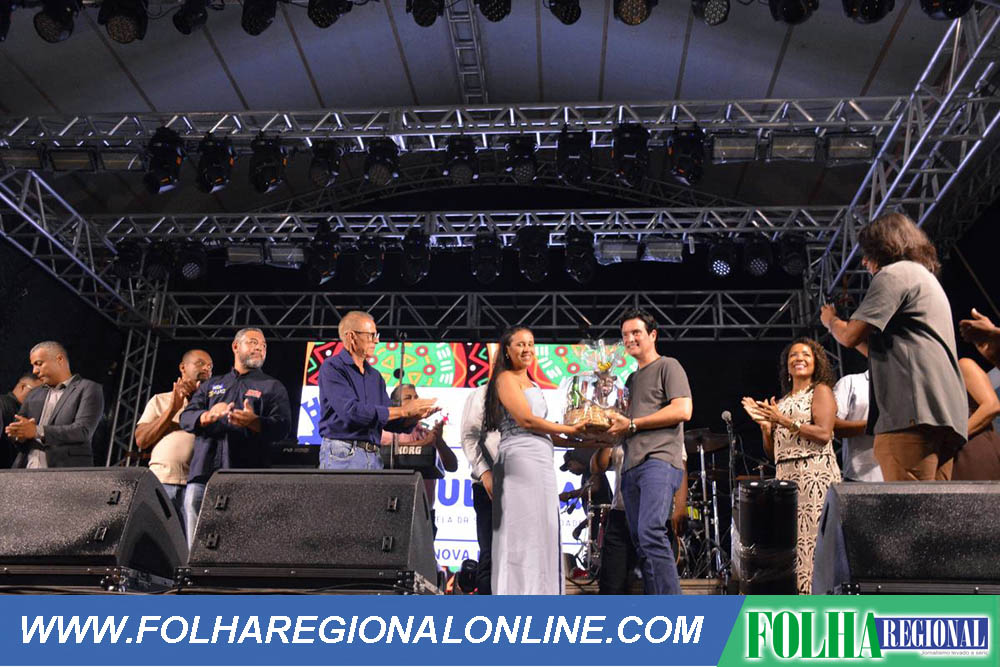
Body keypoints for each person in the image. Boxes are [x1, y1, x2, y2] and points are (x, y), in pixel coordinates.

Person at [821, 212, 967, 480]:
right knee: (936, 506)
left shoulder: (893, 274)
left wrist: (831, 322)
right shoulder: (926, 279)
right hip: (945, 416)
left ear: (881, 248)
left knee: (908, 506)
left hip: (911, 413)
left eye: (867, 253)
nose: (864, 261)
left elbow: (850, 336)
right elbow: (888, 352)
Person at [483, 325, 587, 595]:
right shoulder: (505, 379)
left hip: (541, 460)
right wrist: (569, 429)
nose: (527, 349)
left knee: (544, 530)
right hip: (520, 459)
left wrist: (588, 440)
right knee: (523, 533)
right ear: (507, 350)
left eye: (530, 343)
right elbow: (526, 421)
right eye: (520, 344)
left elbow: (544, 431)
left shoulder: (533, 384)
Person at [742, 337, 840, 595]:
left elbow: (824, 434)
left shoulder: (820, 391)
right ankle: (797, 598)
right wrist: (766, 428)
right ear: (787, 366)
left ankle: (819, 599)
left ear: (816, 362)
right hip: (786, 478)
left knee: (814, 542)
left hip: (813, 474)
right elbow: (773, 452)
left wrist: (782, 420)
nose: (799, 358)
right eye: (793, 355)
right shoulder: (783, 402)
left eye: (806, 354)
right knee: (792, 544)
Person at [605, 309, 692, 595]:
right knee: (641, 542)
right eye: (625, 335)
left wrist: (633, 424)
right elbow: (626, 424)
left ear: (653, 335)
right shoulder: (631, 380)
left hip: (659, 460)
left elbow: (683, 410)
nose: (630, 339)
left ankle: (673, 608)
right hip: (631, 467)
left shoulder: (669, 366)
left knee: (651, 532)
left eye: (636, 332)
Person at [179, 328, 291, 545]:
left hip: (248, 477)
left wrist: (254, 421)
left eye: (263, 345)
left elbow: (282, 427)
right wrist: (207, 416)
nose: (259, 348)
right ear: (235, 346)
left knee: (240, 543)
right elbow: (186, 418)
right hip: (203, 475)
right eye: (253, 342)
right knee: (195, 547)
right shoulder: (211, 385)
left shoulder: (272, 387)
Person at [317, 311, 437, 470]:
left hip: (374, 456)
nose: (377, 340)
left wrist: (414, 416)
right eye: (371, 335)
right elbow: (352, 412)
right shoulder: (332, 367)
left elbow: (388, 419)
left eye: (376, 335)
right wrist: (404, 410)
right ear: (351, 336)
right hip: (343, 453)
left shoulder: (375, 376)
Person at [134, 350, 214, 533]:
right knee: (158, 539)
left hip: (198, 486)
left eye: (210, 366)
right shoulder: (160, 400)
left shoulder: (212, 405)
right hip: (161, 482)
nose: (206, 369)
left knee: (191, 543)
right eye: (200, 363)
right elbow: (141, 440)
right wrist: (172, 410)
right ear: (182, 367)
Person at [5, 341, 103, 468]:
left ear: (59, 359)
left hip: (65, 472)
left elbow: (83, 431)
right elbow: (20, 430)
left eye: (39, 364)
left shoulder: (88, 388)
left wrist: (37, 431)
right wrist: (18, 434)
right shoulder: (34, 393)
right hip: (26, 470)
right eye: (33, 365)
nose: (34, 371)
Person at [380, 383, 458, 534]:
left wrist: (438, 441)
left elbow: (452, 466)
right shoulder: (387, 431)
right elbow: (391, 453)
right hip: (394, 511)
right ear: (396, 405)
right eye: (408, 398)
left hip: (425, 512)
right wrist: (425, 444)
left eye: (416, 397)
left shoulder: (425, 433)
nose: (415, 401)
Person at [459, 383, 500, 594]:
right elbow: (469, 437)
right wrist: (485, 472)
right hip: (490, 484)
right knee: (491, 555)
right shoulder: (482, 394)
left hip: (521, 484)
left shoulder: (530, 390)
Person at [952, 355, 1000, 480]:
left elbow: (992, 406)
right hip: (953, 452)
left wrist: (954, 437)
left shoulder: (963, 365)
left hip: (974, 447)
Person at [832, 368, 882, 482]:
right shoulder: (850, 382)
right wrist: (874, 425)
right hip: (860, 477)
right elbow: (833, 425)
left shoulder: (905, 386)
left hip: (901, 475)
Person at [1, 374, 42, 468]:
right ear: (23, 387)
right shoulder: (3, 404)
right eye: (37, 392)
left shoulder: (23, 410)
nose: (40, 397)